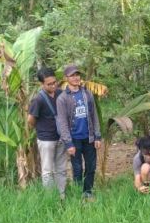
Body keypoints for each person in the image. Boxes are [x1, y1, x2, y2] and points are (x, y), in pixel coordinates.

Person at [56, 64, 101, 200]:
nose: (76, 78)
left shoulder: (87, 94)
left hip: (89, 137)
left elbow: (94, 116)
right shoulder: (62, 98)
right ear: (66, 78)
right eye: (72, 75)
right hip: (74, 139)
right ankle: (78, 193)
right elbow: (62, 122)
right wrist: (68, 143)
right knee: (77, 169)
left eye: (77, 75)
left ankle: (88, 192)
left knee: (91, 167)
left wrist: (97, 136)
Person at [27, 67, 68, 199]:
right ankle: (51, 198)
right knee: (47, 170)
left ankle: (62, 196)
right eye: (49, 84)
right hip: (46, 140)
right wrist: (42, 128)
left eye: (54, 82)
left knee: (61, 169)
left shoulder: (61, 94)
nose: (53, 86)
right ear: (42, 84)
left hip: (61, 137)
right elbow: (30, 120)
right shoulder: (38, 99)